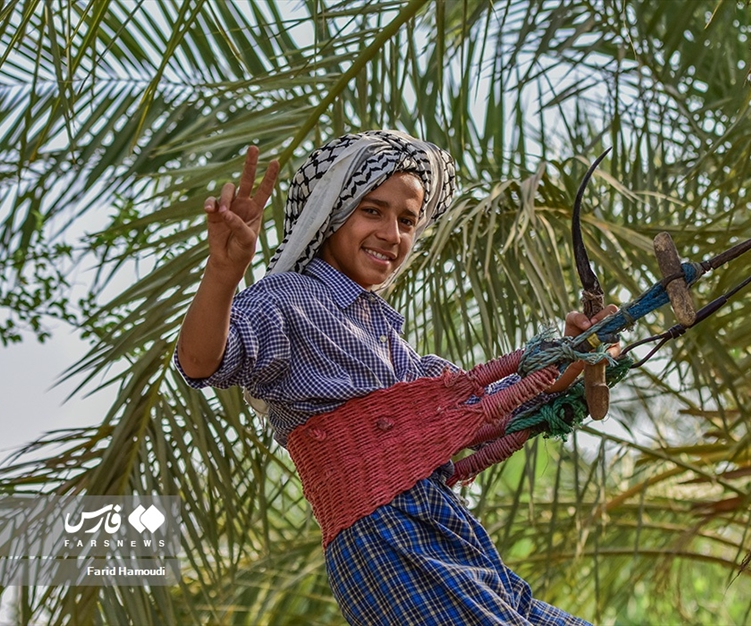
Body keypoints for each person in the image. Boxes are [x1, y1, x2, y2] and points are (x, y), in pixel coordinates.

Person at [176, 130, 617, 625]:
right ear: (332, 215)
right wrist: (223, 272)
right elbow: (200, 362)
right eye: (373, 211)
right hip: (384, 543)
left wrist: (575, 353)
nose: (393, 233)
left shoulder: (392, 344)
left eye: (407, 220)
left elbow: (496, 409)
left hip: (448, 535)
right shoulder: (285, 298)